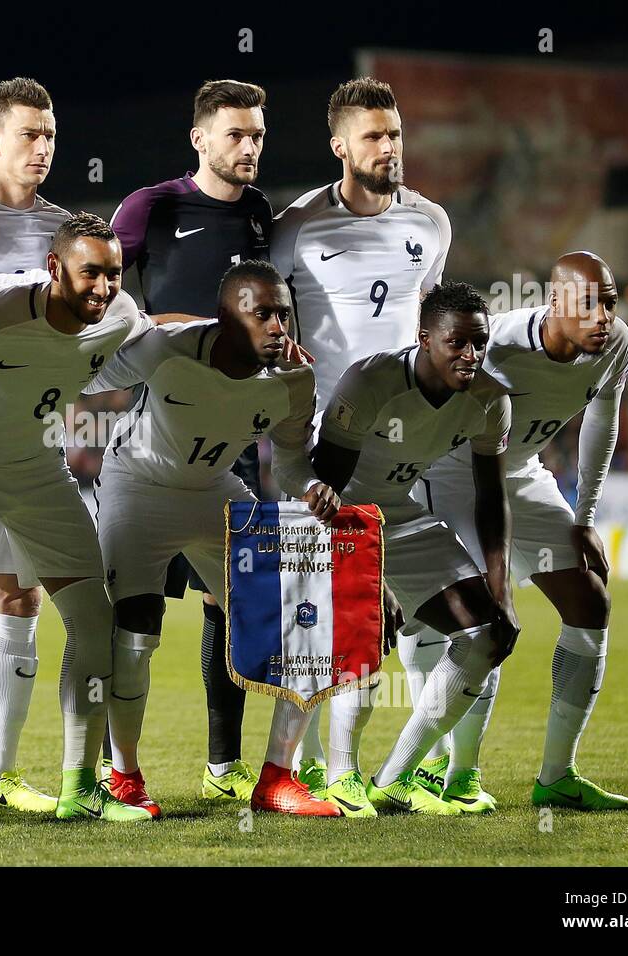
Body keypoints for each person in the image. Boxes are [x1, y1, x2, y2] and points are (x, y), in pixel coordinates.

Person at [0, 213, 181, 826]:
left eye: (114, 273)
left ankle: (79, 787)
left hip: (38, 469)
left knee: (93, 619)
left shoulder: (116, 314)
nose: (105, 286)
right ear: (54, 267)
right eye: (91, 272)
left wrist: (234, 333)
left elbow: (158, 337)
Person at [84, 260, 344, 817]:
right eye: (263, 314)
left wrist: (315, 485)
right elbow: (87, 374)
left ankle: (278, 776)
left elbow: (294, 464)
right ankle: (123, 777)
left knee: (305, 624)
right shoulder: (167, 349)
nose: (279, 326)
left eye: (284, 314)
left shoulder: (296, 379)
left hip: (216, 492)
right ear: (226, 319)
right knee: (134, 639)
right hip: (137, 485)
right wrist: (139, 321)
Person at [270, 76, 452, 790]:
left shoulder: (431, 223)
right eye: (374, 136)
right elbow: (272, 328)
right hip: (324, 445)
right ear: (339, 144)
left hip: (410, 447)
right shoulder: (295, 228)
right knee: (319, 616)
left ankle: (418, 771)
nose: (389, 147)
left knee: (413, 608)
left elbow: (430, 324)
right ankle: (299, 767)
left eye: (396, 134)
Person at [407, 252, 628, 811]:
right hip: (454, 474)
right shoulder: (500, 345)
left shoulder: (615, 345)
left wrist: (584, 519)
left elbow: (602, 420)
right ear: (555, 303)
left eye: (609, 301)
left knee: (590, 601)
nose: (603, 316)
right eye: (589, 304)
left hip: (522, 471)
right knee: (479, 621)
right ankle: (456, 775)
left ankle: (556, 777)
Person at [109, 79, 274, 801]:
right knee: (135, 615)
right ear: (200, 138)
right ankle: (118, 770)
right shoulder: (154, 205)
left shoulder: (263, 216)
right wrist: (160, 332)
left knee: (228, 600)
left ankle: (222, 767)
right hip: (160, 425)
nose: (249, 147)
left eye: (259, 136)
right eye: (236, 134)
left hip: (232, 439)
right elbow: (104, 285)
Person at [310, 281, 517, 816]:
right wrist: (371, 579)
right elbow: (328, 484)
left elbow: (491, 497)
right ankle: (340, 776)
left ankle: (395, 780)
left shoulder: (490, 401)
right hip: (338, 516)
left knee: (486, 635)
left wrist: (501, 588)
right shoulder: (371, 381)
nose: (471, 356)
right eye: (457, 343)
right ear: (425, 339)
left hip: (399, 512)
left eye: (480, 343)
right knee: (363, 636)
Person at [0, 77, 70, 811]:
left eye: (51, 136)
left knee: (19, 593)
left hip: (32, 441)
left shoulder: (67, 231)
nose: (42, 148)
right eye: (29, 134)